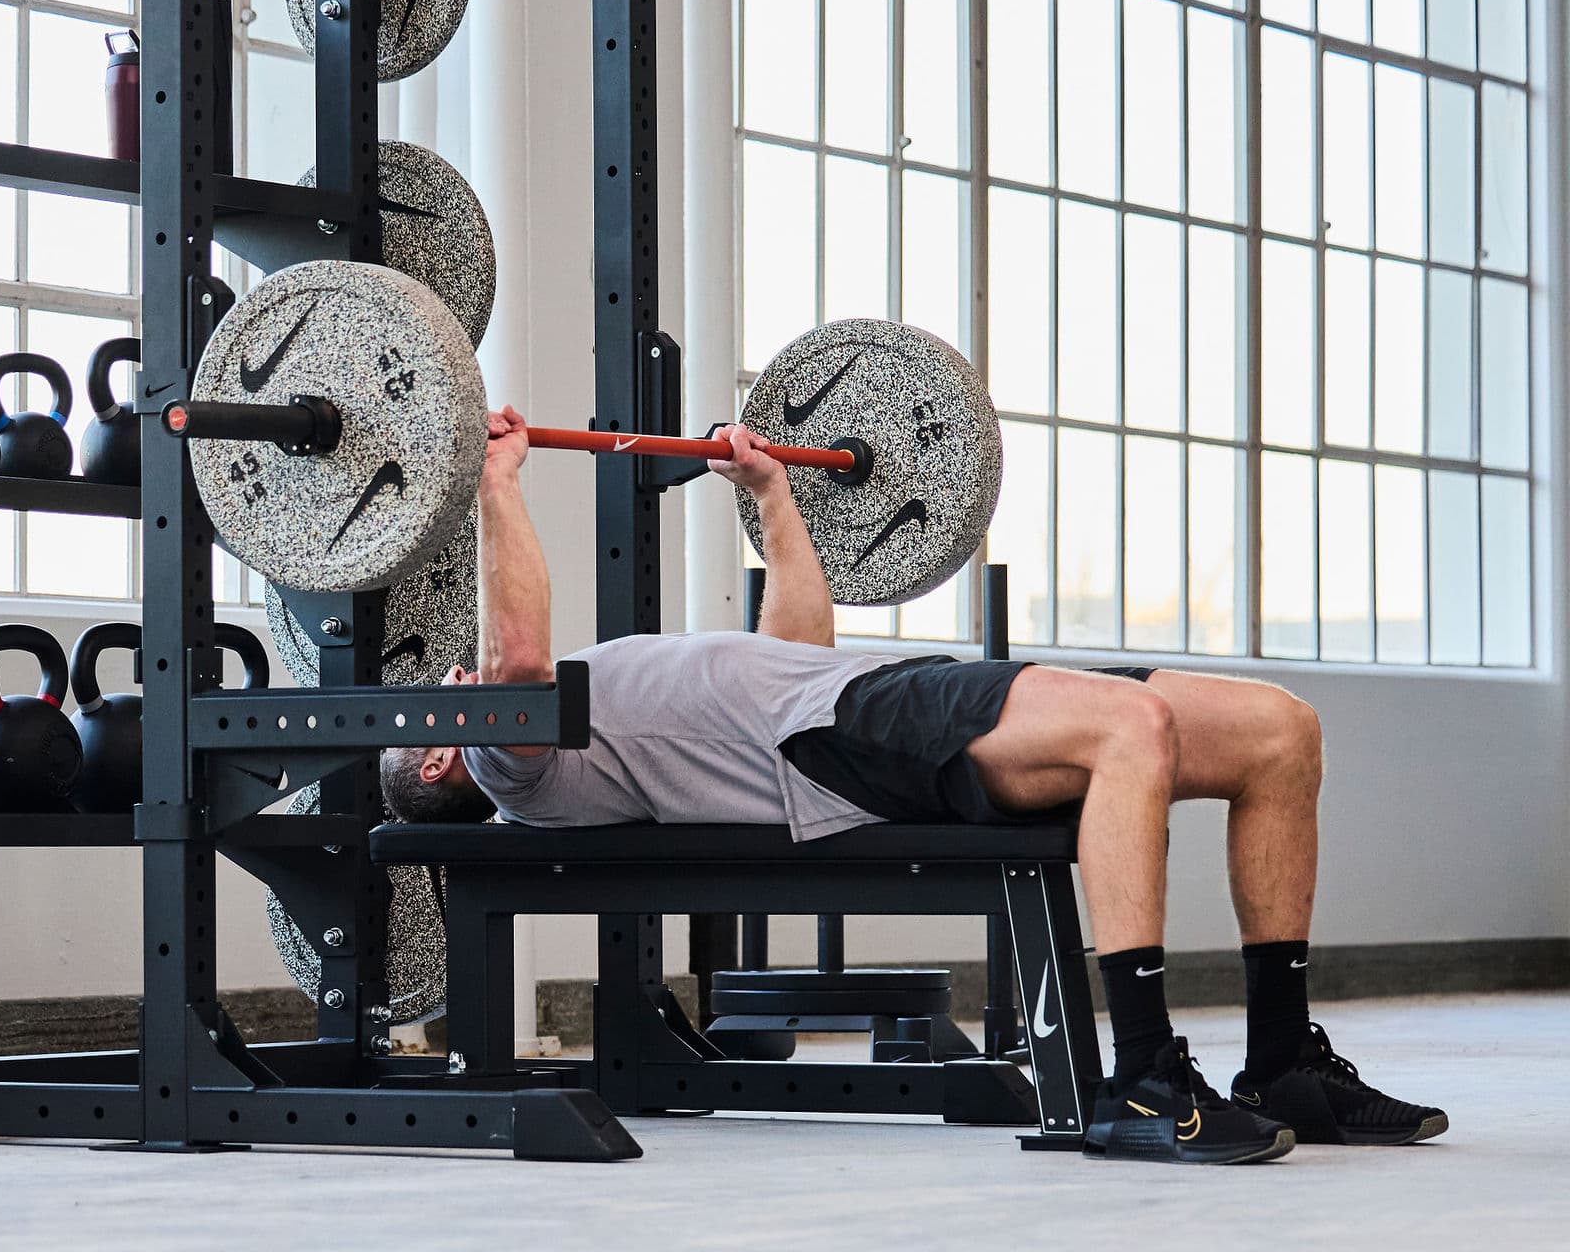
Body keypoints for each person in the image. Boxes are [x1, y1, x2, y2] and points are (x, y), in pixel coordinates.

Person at [380, 408, 1449, 1167]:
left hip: (858, 693)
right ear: (440, 755)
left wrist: (771, 498)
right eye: (440, 699)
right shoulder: (508, 757)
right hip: (846, 735)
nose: (453, 682)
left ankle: (1279, 1062)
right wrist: (495, 481)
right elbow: (517, 656)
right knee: (1131, 725)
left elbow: (792, 647)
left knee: (1277, 730)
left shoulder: (568, 713)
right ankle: (1140, 1078)